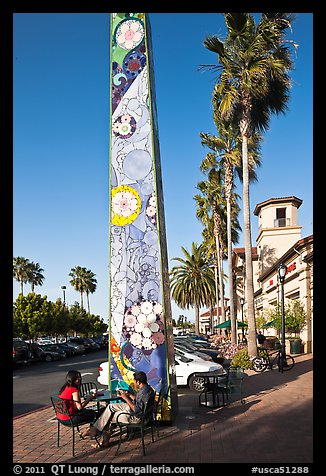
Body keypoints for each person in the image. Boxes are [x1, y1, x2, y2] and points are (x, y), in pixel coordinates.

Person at [82, 370, 155, 449]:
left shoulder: (144, 393)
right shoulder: (147, 389)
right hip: (134, 410)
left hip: (137, 417)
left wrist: (125, 398)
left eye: (134, 381)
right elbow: (139, 402)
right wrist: (129, 395)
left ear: (138, 382)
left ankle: (102, 440)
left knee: (110, 417)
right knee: (110, 407)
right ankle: (96, 429)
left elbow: (136, 410)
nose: (133, 382)